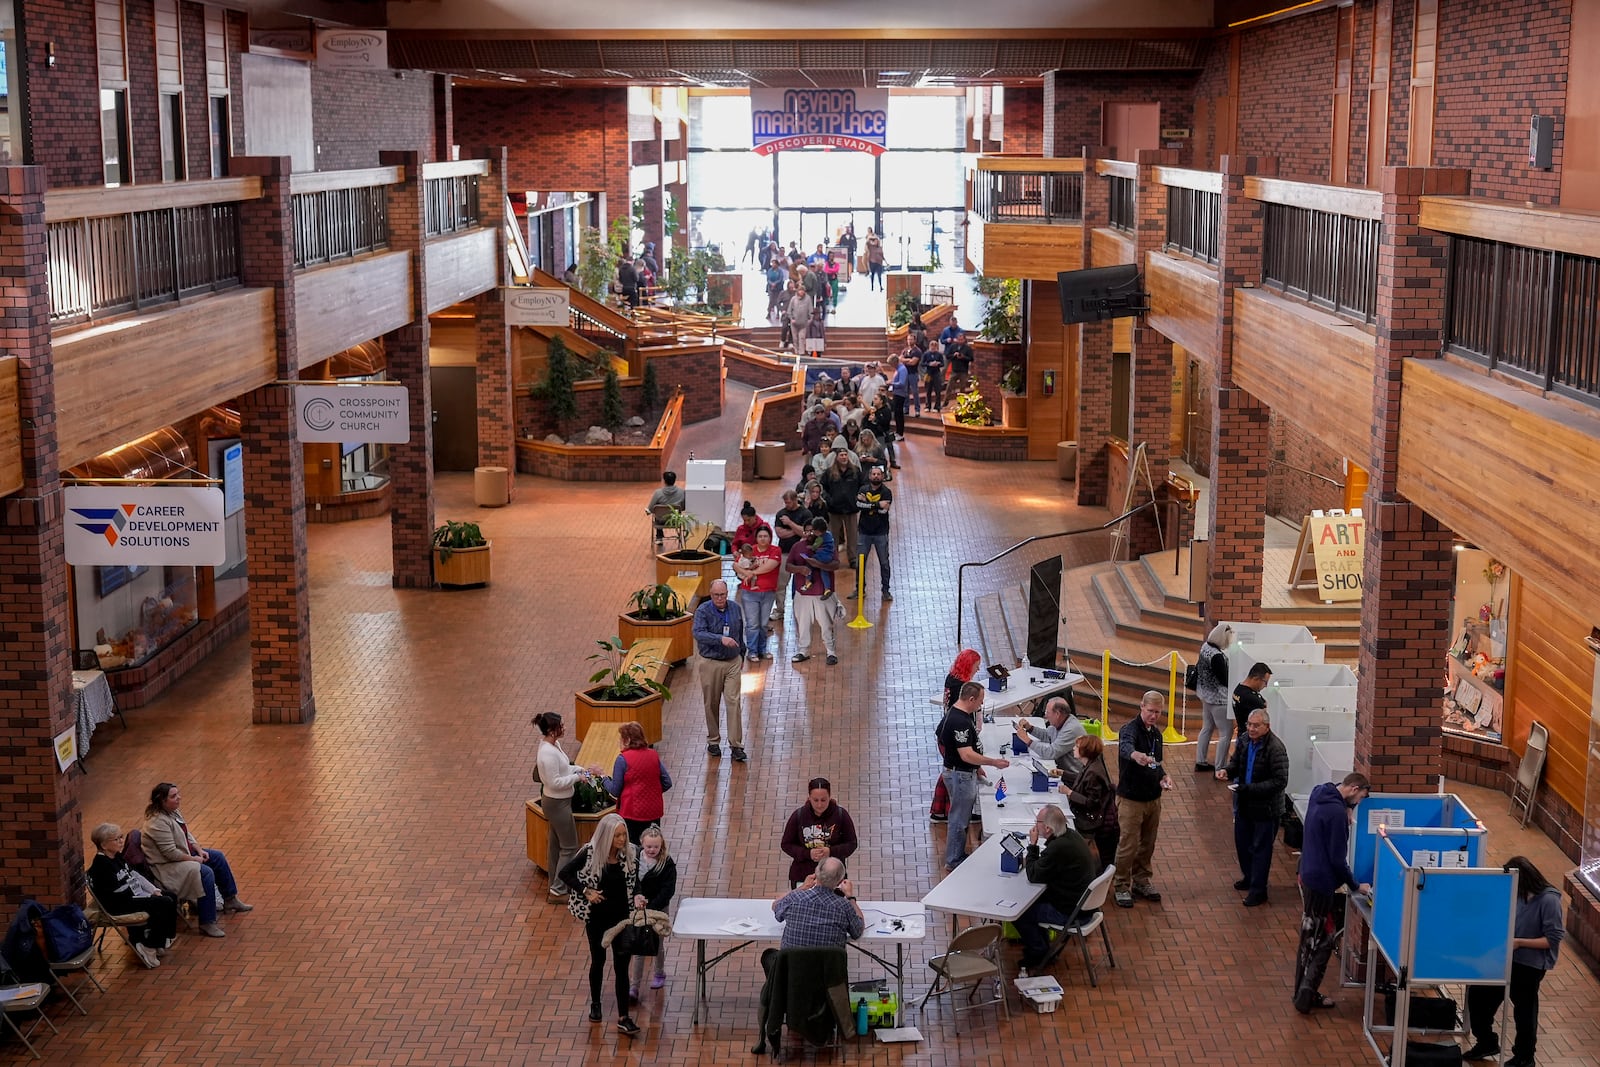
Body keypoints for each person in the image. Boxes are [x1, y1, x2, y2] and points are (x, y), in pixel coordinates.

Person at [1463, 855, 1566, 1066]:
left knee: (1524, 1011)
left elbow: (1553, 939)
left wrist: (1520, 942)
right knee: (1478, 995)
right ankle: (1486, 1041)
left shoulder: (1548, 900)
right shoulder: (1516, 894)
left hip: (1529, 965)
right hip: (1504, 957)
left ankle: (1524, 1056)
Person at [1293, 771, 1370, 1013]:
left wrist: (1347, 808)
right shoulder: (1336, 814)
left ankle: (1302, 992)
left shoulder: (1321, 793)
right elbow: (1338, 860)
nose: (1357, 806)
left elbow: (1330, 788)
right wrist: (1356, 885)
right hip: (1321, 882)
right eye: (1359, 800)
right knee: (1321, 942)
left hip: (1306, 873)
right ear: (1355, 789)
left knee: (1310, 937)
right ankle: (1305, 996)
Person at [560, 813, 642, 1035]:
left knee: (622, 966)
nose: (622, 840)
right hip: (597, 919)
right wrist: (586, 891)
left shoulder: (630, 855)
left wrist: (637, 896)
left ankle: (624, 1016)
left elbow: (635, 884)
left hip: (622, 919)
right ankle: (595, 1003)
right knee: (598, 960)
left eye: (624, 834)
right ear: (607, 836)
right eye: (617, 836)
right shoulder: (589, 853)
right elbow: (565, 873)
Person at [142, 782, 253, 939]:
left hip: (183, 855)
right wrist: (194, 859)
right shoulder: (156, 823)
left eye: (178, 794)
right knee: (204, 872)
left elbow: (187, 834)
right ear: (162, 800)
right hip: (167, 866)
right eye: (173, 796)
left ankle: (230, 899)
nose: (179, 798)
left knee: (217, 857)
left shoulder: (173, 812)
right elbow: (170, 853)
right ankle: (207, 922)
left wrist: (199, 849)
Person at [938, 681, 1011, 872]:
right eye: (980, 701)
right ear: (971, 699)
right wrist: (992, 762)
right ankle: (954, 859)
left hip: (961, 771)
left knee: (960, 816)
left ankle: (957, 854)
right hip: (960, 775)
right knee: (959, 819)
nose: (981, 705)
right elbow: (966, 754)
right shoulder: (960, 721)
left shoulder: (955, 713)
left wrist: (977, 766)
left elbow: (941, 735)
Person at [1221, 709, 1289, 906]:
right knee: (1242, 844)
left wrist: (1249, 789)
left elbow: (1279, 781)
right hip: (1244, 803)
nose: (1251, 728)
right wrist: (1226, 771)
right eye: (1249, 724)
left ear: (1266, 727)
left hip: (1266, 809)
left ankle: (1259, 891)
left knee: (1261, 849)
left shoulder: (1275, 748)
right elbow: (1236, 763)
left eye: (1256, 725)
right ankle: (1249, 877)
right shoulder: (1243, 741)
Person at [1015, 805, 1096, 972]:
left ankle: (1039, 952)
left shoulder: (1058, 848)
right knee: (1034, 901)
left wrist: (1033, 846)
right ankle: (1043, 947)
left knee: (1019, 912)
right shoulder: (1072, 836)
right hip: (1083, 904)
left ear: (1047, 828)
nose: (1034, 825)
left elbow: (1034, 874)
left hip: (1071, 912)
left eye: (1037, 822)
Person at [87, 822, 178, 969]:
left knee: (171, 896)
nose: (121, 841)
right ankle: (149, 945)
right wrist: (148, 897)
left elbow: (134, 875)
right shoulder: (101, 866)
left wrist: (152, 889)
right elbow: (119, 892)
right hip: (118, 904)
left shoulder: (116, 857)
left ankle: (160, 940)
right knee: (164, 902)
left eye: (121, 837)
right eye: (116, 839)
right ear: (104, 845)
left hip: (131, 897)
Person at [1112, 691, 1173, 908]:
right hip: (1131, 800)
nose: (1154, 716)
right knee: (1128, 844)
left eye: (1158, 712)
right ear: (1141, 707)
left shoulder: (1156, 735)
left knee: (1147, 843)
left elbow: (1156, 763)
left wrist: (1163, 776)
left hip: (1153, 799)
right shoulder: (1129, 731)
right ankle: (1120, 885)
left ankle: (1141, 880)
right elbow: (1126, 746)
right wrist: (1135, 755)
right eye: (1150, 711)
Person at [535, 711, 589, 901]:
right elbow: (555, 782)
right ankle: (558, 890)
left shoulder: (554, 745)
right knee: (570, 846)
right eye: (561, 726)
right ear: (551, 730)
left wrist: (581, 770)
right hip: (557, 803)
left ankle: (554, 885)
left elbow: (565, 767)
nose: (565, 728)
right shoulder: (547, 754)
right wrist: (578, 777)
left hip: (559, 802)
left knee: (556, 845)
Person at [693, 580, 746, 761]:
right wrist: (720, 639)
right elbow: (698, 633)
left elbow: (740, 632)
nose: (720, 598)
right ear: (710, 594)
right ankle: (713, 741)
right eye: (716, 595)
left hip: (732, 662)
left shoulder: (735, 608)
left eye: (722, 594)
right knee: (711, 703)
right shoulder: (703, 611)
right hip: (710, 663)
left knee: (733, 701)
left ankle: (736, 745)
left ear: (727, 593)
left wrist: (742, 655)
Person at [595, 721, 672, 843]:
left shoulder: (622, 759)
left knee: (633, 850)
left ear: (628, 740)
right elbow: (667, 782)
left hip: (631, 814)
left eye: (621, 739)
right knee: (651, 847)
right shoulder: (653, 755)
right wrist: (652, 791)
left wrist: (602, 777)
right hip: (654, 812)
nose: (618, 742)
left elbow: (615, 790)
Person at [931, 649, 982, 822]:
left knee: (949, 770)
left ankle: (941, 811)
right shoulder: (961, 688)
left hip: (945, 732)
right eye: (976, 665)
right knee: (954, 771)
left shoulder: (952, 678)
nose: (978, 669)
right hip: (951, 736)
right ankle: (946, 812)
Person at [780, 778, 859, 888]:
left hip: (833, 877)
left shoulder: (841, 815)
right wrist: (808, 853)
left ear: (830, 797)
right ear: (809, 798)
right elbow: (786, 844)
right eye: (815, 800)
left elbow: (852, 844)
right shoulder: (799, 816)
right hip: (803, 876)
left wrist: (830, 852)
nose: (819, 805)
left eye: (823, 800)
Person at [627, 827, 677, 999]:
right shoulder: (634, 859)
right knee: (640, 946)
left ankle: (659, 972)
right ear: (642, 843)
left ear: (661, 845)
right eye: (648, 846)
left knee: (658, 943)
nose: (652, 850)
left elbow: (668, 889)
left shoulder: (667, 863)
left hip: (659, 909)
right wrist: (636, 897)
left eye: (655, 847)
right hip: (640, 908)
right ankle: (634, 986)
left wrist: (653, 906)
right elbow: (631, 880)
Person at [1059, 735, 1120, 875]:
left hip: (1093, 820)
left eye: (1076, 747)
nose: (1073, 749)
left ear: (1084, 751)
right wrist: (1063, 774)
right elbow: (1082, 780)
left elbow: (1091, 802)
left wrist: (1069, 792)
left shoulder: (1094, 772)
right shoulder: (1091, 765)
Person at [772, 858, 863, 949]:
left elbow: (776, 905)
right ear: (840, 882)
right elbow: (858, 931)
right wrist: (850, 898)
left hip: (791, 962)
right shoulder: (843, 906)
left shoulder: (795, 898)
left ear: (816, 872)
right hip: (828, 963)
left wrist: (803, 887)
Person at [788, 518, 840, 666]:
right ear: (803, 532)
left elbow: (836, 564)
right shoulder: (797, 546)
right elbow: (788, 566)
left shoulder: (826, 544)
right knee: (803, 624)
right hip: (802, 594)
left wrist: (819, 564)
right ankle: (803, 651)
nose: (810, 533)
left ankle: (831, 651)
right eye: (807, 531)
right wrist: (800, 569)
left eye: (813, 530)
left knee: (826, 624)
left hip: (822, 594)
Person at [734, 527, 782, 660]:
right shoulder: (749, 549)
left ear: (770, 537)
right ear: (756, 538)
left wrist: (752, 573)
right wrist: (746, 573)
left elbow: (770, 566)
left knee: (763, 623)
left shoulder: (775, 550)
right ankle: (752, 651)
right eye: (760, 536)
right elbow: (736, 565)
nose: (762, 538)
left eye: (765, 536)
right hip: (749, 593)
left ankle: (762, 649)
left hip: (768, 592)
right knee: (753, 624)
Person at [1193, 622, 1235, 771]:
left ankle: (1201, 760)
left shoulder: (1205, 647)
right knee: (1226, 733)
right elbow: (1224, 680)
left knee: (1207, 728)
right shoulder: (1217, 656)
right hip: (1219, 700)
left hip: (1205, 695)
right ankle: (1220, 766)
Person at [851, 463, 892, 602]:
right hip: (864, 532)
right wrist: (875, 504)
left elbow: (884, 510)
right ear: (869, 476)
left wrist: (867, 504)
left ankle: (886, 590)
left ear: (882, 476)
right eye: (873, 474)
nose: (876, 476)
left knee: (884, 563)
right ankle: (859, 589)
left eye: (878, 474)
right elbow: (858, 505)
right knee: (860, 563)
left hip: (881, 532)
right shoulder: (863, 489)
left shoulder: (886, 492)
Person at [1233, 661, 1272, 740]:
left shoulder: (1238, 689)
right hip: (1251, 739)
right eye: (1265, 682)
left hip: (1242, 735)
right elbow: (1264, 712)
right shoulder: (1251, 698)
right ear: (1256, 679)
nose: (1266, 686)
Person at [646, 471, 686, 545]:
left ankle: (659, 537)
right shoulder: (682, 492)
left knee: (657, 510)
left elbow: (651, 509)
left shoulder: (658, 493)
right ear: (674, 480)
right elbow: (683, 507)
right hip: (675, 520)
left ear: (664, 481)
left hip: (661, 521)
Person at [945, 330, 974, 394]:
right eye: (959, 339)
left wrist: (963, 357)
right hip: (954, 370)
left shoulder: (968, 348)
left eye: (961, 340)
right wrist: (953, 355)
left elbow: (971, 358)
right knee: (949, 387)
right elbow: (947, 356)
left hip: (963, 371)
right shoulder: (953, 346)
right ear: (957, 339)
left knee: (962, 388)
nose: (960, 341)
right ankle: (945, 402)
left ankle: (961, 402)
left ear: (964, 340)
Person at [921, 339, 946, 412]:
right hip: (928, 373)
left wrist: (937, 363)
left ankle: (937, 406)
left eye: (935, 347)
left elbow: (942, 364)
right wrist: (929, 364)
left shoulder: (939, 355)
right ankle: (928, 406)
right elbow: (922, 363)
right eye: (932, 346)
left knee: (937, 390)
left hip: (936, 373)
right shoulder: (926, 354)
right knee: (928, 390)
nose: (933, 348)